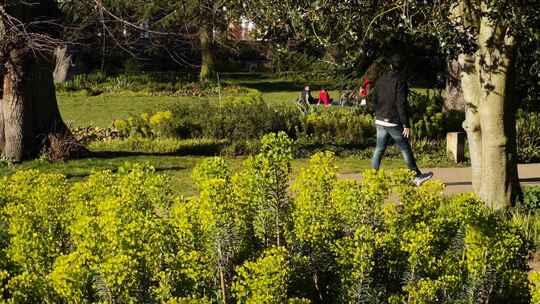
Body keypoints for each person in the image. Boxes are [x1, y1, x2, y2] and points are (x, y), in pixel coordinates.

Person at [371, 54, 433, 186]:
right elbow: (401, 104)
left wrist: (378, 113)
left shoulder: (381, 79)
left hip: (380, 119)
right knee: (405, 148)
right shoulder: (401, 81)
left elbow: (374, 100)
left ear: (390, 66)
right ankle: (416, 176)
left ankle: (372, 177)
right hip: (393, 121)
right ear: (403, 67)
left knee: (379, 149)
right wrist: (406, 124)